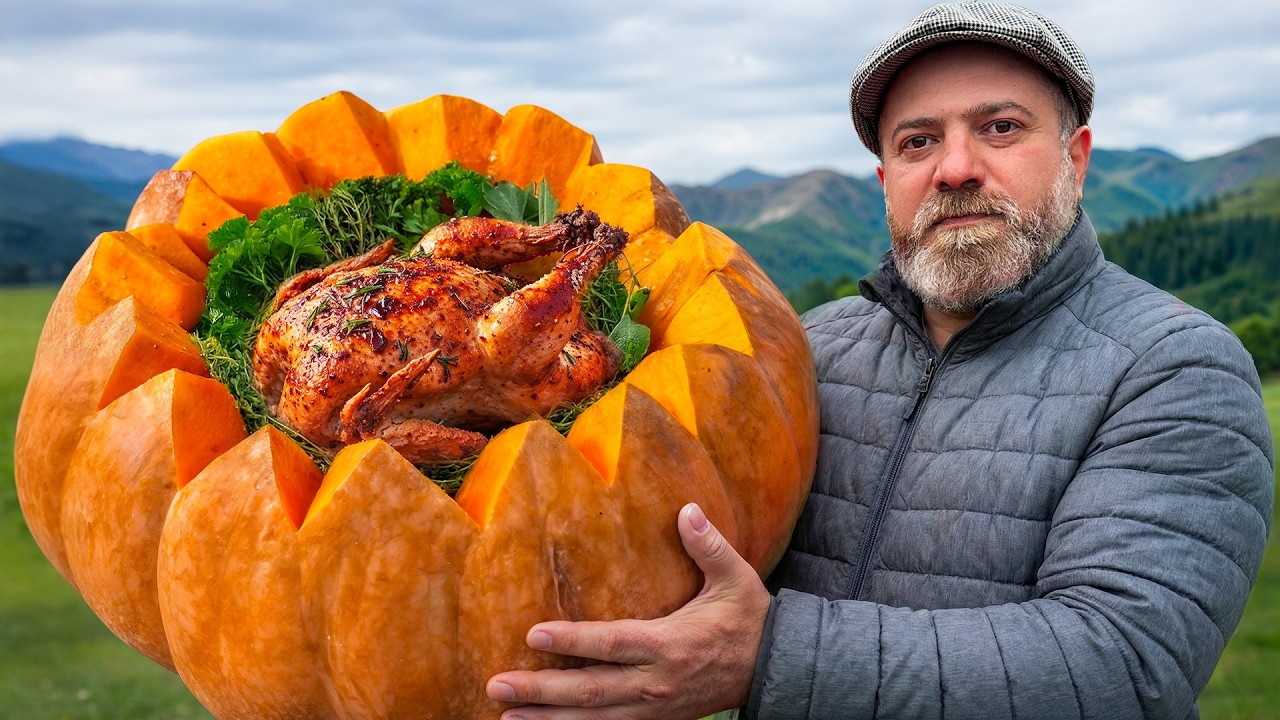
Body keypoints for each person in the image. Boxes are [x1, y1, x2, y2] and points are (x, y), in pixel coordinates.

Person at [485, 3, 1276, 718]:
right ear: (886, 181)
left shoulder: (1176, 368)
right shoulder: (804, 350)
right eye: (918, 141)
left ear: (1077, 156)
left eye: (1001, 127)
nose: (955, 168)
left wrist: (769, 657)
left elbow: (1122, 664)